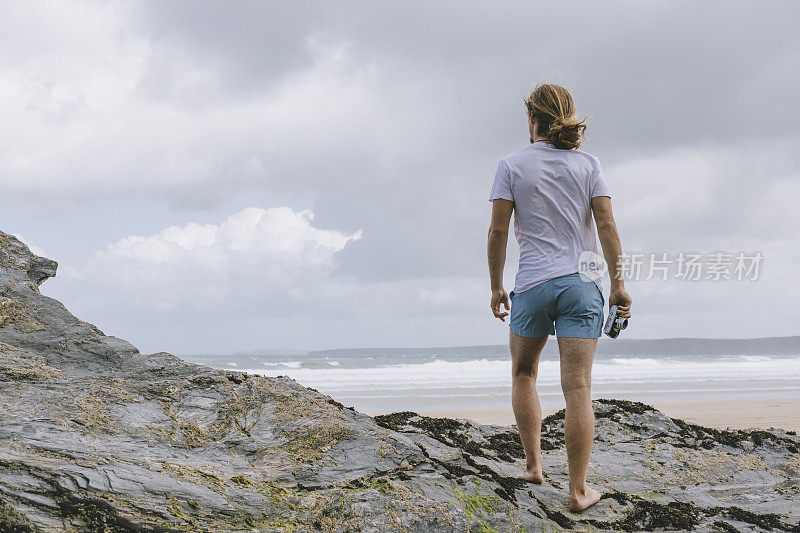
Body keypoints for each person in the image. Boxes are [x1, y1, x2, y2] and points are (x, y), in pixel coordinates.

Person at [486, 83, 632, 512]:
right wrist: (619, 284)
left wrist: (496, 285)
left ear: (534, 119)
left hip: (531, 285)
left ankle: (533, 466)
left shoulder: (510, 165)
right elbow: (607, 226)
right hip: (582, 285)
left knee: (524, 374)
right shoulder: (590, 165)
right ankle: (578, 490)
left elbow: (497, 231)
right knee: (579, 388)